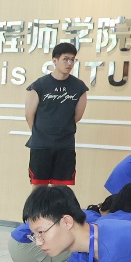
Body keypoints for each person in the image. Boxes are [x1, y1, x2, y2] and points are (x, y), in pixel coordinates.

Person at [24, 42, 88, 186]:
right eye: (66, 59)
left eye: (73, 59)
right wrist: (42, 134)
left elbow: (77, 116)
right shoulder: (39, 85)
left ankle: (58, 210)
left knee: (61, 190)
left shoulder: (79, 87)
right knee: (39, 189)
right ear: (55, 60)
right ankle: (37, 210)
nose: (70, 63)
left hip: (65, 146)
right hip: (41, 146)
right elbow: (29, 115)